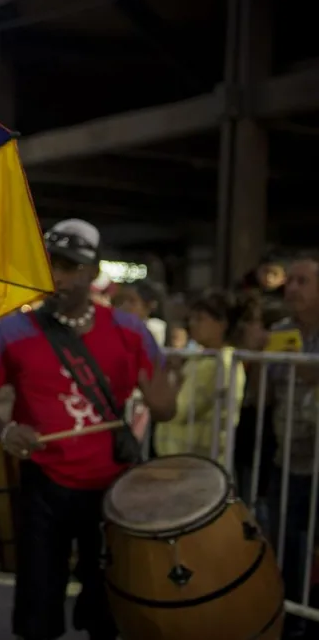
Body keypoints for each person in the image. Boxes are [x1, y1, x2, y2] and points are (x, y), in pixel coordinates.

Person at [0, 218, 176, 640]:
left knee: (106, 607)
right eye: (50, 265)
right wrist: (6, 432)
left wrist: (161, 395)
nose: (57, 276)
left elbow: (165, 408)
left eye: (70, 266)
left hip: (110, 485)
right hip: (42, 484)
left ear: (94, 272)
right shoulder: (11, 331)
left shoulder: (131, 333)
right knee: (38, 606)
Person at [263, 251, 319, 639]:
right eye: (291, 281)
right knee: (284, 548)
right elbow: (267, 393)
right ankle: (289, 622)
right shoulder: (280, 331)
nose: (292, 288)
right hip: (286, 461)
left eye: (303, 281)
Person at [154, 289, 260, 462]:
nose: (192, 324)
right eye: (192, 318)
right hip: (182, 460)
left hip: (194, 463)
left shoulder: (217, 363)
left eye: (200, 319)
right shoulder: (204, 357)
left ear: (222, 324)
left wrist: (165, 387)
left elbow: (178, 410)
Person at [114, 280, 167, 346]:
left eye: (132, 301)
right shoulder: (111, 326)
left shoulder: (154, 329)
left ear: (150, 305)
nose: (124, 306)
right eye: (120, 300)